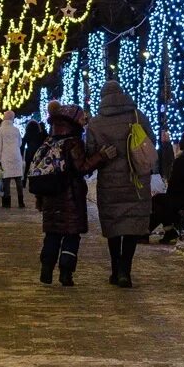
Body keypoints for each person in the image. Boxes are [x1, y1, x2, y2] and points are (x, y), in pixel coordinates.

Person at [85, 82, 155, 287]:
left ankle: (116, 270)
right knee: (132, 226)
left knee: (114, 226)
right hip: (136, 179)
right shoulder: (137, 116)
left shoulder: (96, 123)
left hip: (110, 182)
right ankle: (126, 269)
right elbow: (149, 141)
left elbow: (90, 152)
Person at [32, 107, 112, 286]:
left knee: (52, 235)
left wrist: (40, 199)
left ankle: (46, 268)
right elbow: (82, 167)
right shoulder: (73, 143)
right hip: (71, 198)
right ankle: (66, 273)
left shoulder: (49, 142)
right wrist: (101, 156)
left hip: (50, 197)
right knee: (71, 236)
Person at [0, 111, 27, 209]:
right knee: (18, 180)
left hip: (5, 157)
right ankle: (21, 202)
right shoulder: (16, 130)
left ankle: (7, 202)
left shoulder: (0, 130)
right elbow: (20, 143)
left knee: (6, 180)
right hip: (16, 156)